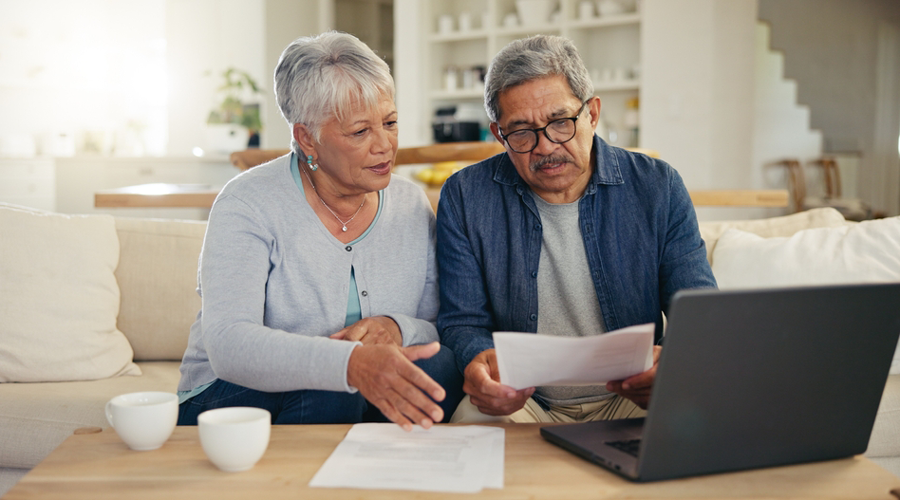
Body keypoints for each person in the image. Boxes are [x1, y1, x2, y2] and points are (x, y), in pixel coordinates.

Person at [177, 31, 463, 430]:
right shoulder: (246, 203)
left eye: (391, 122)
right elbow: (229, 345)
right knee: (333, 384)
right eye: (360, 131)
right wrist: (348, 363)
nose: (385, 145)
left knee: (438, 362)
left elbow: (437, 321)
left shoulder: (411, 204)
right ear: (306, 138)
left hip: (348, 396)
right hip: (228, 394)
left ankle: (382, 472)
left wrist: (397, 328)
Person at [436, 35, 717, 423]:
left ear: (592, 114)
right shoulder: (465, 196)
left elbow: (699, 312)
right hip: (526, 402)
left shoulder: (657, 186)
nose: (546, 146)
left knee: (706, 416)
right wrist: (478, 362)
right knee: (470, 422)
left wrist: (671, 364)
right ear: (499, 135)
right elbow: (463, 321)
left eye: (560, 122)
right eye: (521, 133)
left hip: (635, 395)